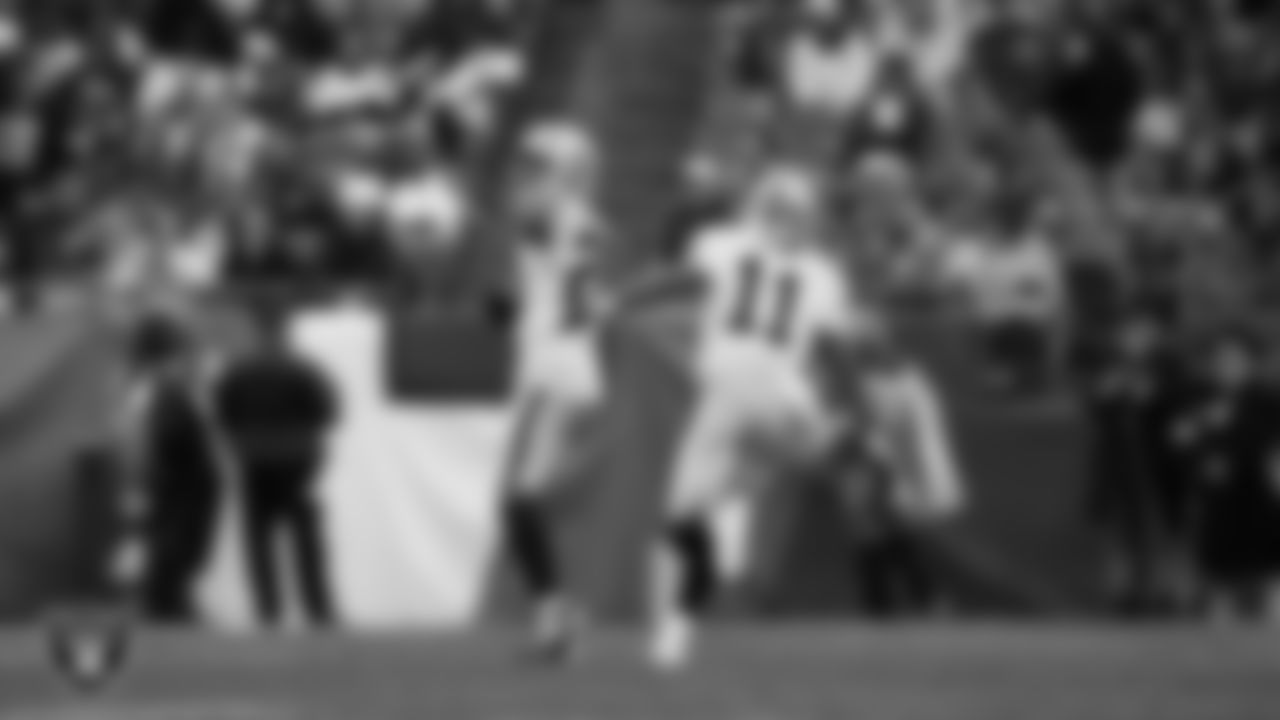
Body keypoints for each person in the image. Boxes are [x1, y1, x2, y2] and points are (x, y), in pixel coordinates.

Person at [641, 165, 872, 670]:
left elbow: (678, 282)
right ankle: (829, 444)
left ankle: (672, 631)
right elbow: (837, 352)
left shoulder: (721, 244)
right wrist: (858, 413)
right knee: (696, 513)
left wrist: (623, 300)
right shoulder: (822, 273)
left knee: (679, 519)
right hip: (785, 408)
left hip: (729, 393)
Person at [497, 120, 611, 660]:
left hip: (553, 372)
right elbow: (582, 292)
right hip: (578, 368)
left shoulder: (549, 216)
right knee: (542, 503)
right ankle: (563, 612)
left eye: (536, 167)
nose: (524, 177)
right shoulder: (588, 223)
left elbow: (532, 219)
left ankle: (556, 618)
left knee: (520, 502)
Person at [212, 303, 339, 630]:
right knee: (307, 541)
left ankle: (268, 610)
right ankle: (318, 610)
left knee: (258, 540)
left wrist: (243, 440)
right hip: (298, 461)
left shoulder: (238, 370)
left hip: (255, 460)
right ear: (285, 331)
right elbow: (328, 411)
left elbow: (223, 413)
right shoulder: (303, 368)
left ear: (256, 331)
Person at [127, 315, 223, 624]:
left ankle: (169, 601)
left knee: (174, 542)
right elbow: (169, 437)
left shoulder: (157, 388)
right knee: (177, 542)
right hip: (182, 478)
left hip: (177, 476)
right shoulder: (167, 388)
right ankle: (169, 604)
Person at [1179, 332, 1280, 621]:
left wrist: (1232, 430)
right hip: (1216, 505)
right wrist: (1200, 446)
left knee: (1258, 580)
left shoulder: (1266, 400)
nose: (1226, 367)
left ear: (1249, 364)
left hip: (1256, 502)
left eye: (1234, 360)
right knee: (1218, 579)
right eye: (1221, 361)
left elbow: (1267, 443)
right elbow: (1183, 440)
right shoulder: (1201, 398)